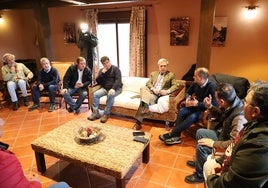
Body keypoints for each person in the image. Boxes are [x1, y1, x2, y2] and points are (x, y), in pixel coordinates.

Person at [206, 82, 268, 188]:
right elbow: (234, 145)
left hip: (222, 141)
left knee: (206, 166)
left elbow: (231, 183)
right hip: (222, 137)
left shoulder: (257, 146)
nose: (242, 104)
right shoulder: (253, 124)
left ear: (255, 111)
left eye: (245, 102)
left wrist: (211, 179)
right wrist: (220, 162)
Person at [184, 83, 247, 184]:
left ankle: (200, 175)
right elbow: (221, 115)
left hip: (225, 141)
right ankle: (200, 163)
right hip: (222, 133)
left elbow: (233, 144)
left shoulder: (239, 118)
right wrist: (210, 106)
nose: (215, 99)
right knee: (200, 132)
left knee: (202, 146)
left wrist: (213, 143)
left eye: (216, 98)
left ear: (221, 101)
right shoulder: (231, 103)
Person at [0, 119, 69, 188]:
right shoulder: (5, 160)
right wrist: (36, 182)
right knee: (63, 185)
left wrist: (21, 177)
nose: (1, 120)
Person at [159, 67, 218, 145]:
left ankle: (172, 133)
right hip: (194, 106)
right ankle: (176, 136)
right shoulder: (195, 83)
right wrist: (188, 98)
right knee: (182, 111)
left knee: (192, 117)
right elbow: (187, 92)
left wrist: (198, 104)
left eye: (195, 76)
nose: (193, 77)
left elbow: (215, 104)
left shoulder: (212, 86)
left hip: (204, 110)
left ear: (201, 78)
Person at [132, 58, 179, 130]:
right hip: (153, 94)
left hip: (162, 95)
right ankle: (145, 104)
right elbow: (148, 83)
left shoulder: (171, 75)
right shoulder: (153, 74)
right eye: (161, 66)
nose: (163, 67)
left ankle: (138, 123)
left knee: (144, 103)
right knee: (143, 88)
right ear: (158, 66)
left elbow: (175, 85)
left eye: (164, 66)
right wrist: (153, 89)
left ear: (167, 66)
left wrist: (167, 91)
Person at [87, 56, 123, 123]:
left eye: (107, 62)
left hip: (116, 88)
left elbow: (118, 80)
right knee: (95, 94)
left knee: (110, 94)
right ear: (103, 64)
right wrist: (102, 74)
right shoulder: (102, 70)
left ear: (109, 61)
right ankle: (95, 113)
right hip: (105, 88)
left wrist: (113, 89)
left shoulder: (116, 69)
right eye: (104, 63)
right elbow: (98, 81)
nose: (107, 64)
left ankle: (106, 114)